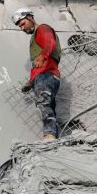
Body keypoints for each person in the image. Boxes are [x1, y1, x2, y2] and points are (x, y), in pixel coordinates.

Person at [13, 8, 62, 141]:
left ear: (30, 18)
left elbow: (50, 43)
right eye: (19, 27)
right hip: (45, 75)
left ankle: (50, 135)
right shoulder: (35, 36)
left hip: (47, 75)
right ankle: (52, 135)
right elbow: (37, 68)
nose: (22, 28)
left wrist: (42, 56)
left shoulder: (42, 29)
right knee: (47, 105)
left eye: (23, 24)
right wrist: (31, 82)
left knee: (43, 104)